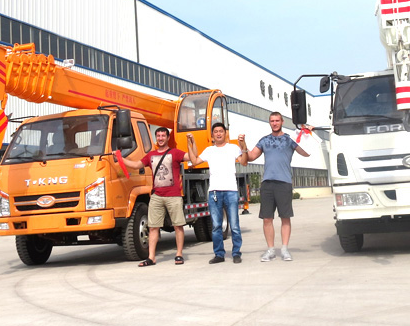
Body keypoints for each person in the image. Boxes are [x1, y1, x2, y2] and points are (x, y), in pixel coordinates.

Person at [120, 127, 190, 267]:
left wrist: (191, 142)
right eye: (158, 136)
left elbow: (191, 157)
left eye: (163, 136)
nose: (160, 138)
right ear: (156, 138)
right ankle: (151, 257)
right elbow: (136, 165)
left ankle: (179, 254)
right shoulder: (151, 155)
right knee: (153, 227)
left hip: (173, 195)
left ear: (168, 138)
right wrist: (120, 159)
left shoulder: (175, 153)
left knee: (178, 226)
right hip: (156, 196)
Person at [246, 112, 310, 262]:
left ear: (282, 122)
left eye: (277, 120)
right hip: (267, 183)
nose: (274, 123)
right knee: (267, 219)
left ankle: (285, 249)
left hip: (284, 183)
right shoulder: (264, 140)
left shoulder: (290, 140)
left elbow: (306, 153)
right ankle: (270, 250)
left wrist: (308, 134)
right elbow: (251, 156)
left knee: (285, 217)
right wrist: (242, 146)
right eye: (272, 121)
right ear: (269, 123)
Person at [187, 123, 248, 264]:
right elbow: (194, 161)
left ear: (225, 133)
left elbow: (244, 162)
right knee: (216, 226)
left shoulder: (233, 148)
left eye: (221, 131)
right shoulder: (209, 150)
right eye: (216, 131)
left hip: (231, 191)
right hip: (214, 191)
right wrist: (190, 143)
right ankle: (219, 254)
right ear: (212, 135)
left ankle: (236, 253)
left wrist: (243, 146)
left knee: (234, 225)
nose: (219, 134)